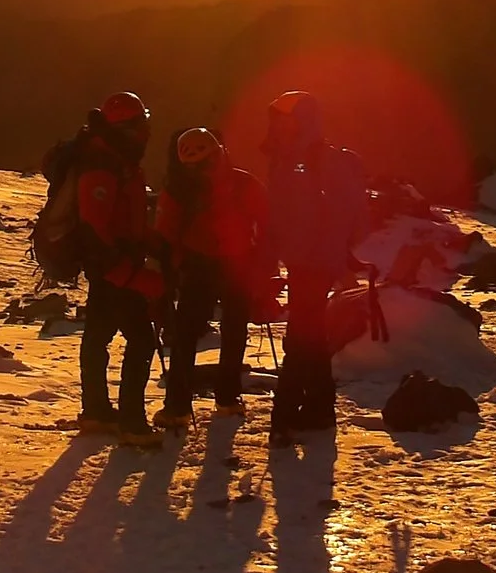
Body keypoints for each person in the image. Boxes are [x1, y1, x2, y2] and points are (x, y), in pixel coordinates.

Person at [40, 90, 164, 444]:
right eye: (142, 124)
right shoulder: (104, 167)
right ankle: (132, 422)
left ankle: (96, 411)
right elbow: (97, 232)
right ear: (128, 128)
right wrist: (131, 275)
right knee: (140, 338)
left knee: (98, 335)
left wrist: (151, 241)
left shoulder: (110, 158)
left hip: (112, 264)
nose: (147, 132)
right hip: (113, 265)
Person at [261, 90, 368, 443]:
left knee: (300, 336)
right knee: (311, 335)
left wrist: (323, 250)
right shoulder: (288, 157)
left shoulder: (318, 159)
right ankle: (319, 410)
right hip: (306, 260)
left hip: (315, 261)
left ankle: (286, 418)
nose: (277, 125)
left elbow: (336, 212)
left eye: (284, 118)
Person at [153, 126, 270, 429]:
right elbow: (268, 224)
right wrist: (264, 265)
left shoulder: (179, 188)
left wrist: (169, 264)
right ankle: (227, 399)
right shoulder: (244, 183)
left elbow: (166, 230)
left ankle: (178, 405)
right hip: (237, 262)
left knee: (186, 334)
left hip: (199, 264)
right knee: (233, 331)